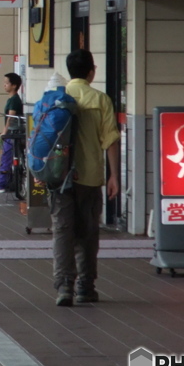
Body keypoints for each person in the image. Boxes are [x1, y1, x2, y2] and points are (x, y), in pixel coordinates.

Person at [51, 49, 120, 307]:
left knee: (62, 231)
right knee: (87, 234)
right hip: (90, 176)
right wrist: (114, 175)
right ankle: (85, 286)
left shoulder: (57, 97)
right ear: (92, 71)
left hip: (59, 176)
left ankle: (64, 287)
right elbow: (110, 140)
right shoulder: (100, 99)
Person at [0, 73, 23, 193]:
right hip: (13, 132)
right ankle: (2, 183)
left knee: (6, 157)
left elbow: (10, 118)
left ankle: (1, 184)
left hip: (12, 133)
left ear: (14, 85)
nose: (4, 85)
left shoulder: (14, 100)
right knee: (5, 156)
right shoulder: (12, 99)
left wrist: (4, 132)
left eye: (6, 83)